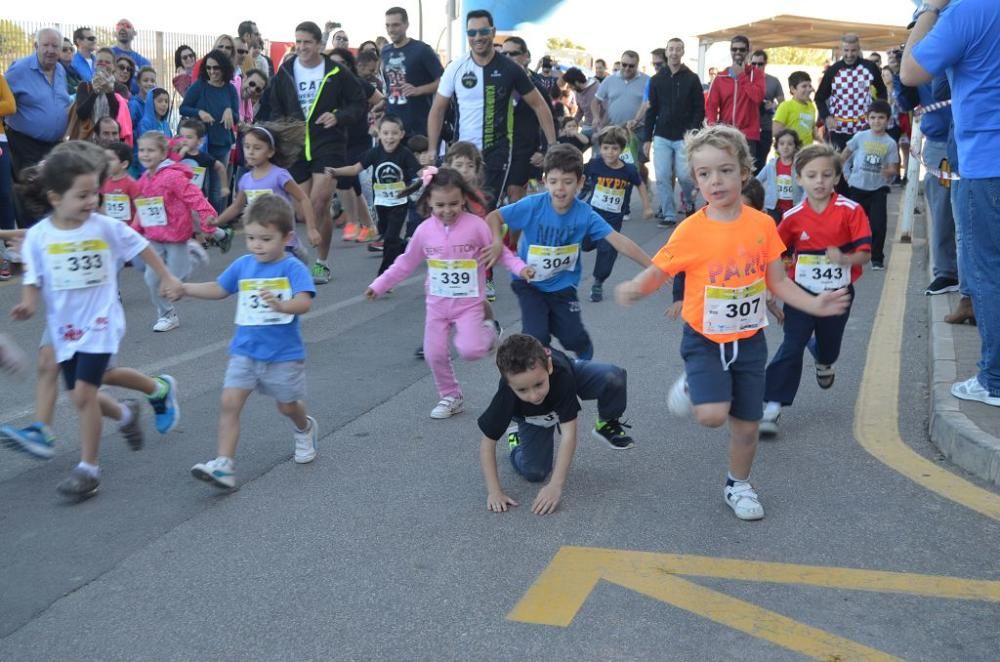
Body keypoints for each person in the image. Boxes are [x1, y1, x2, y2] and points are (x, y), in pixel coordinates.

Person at [614, 124, 851, 520]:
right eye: (704, 174)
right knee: (711, 417)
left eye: (724, 170)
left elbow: (777, 281)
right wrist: (637, 287)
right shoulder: (691, 229)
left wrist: (813, 303)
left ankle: (738, 485)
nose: (715, 181)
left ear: (744, 172)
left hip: (749, 341)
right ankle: (694, 382)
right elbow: (661, 269)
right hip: (704, 338)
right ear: (695, 179)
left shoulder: (761, 225)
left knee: (746, 426)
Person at [11, 141, 183, 497]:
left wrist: (166, 276)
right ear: (56, 198)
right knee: (80, 395)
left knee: (85, 394)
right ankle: (138, 404)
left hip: (101, 322)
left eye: (95, 194)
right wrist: (28, 303)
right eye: (83, 196)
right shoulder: (40, 237)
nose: (92, 202)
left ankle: (88, 469)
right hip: (65, 329)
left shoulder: (104, 227)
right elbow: (33, 277)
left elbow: (141, 246)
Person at [168, 195, 317, 489]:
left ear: (287, 238)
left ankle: (304, 427)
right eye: (251, 237)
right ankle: (224, 464)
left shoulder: (292, 268)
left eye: (265, 238)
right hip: (245, 351)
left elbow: (304, 302)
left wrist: (283, 306)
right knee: (229, 402)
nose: (257, 245)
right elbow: (219, 289)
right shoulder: (244, 265)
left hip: (283, 354)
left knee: (287, 407)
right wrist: (185, 288)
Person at [366, 167, 532, 418]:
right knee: (434, 353)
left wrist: (521, 269)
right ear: (429, 202)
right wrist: (380, 284)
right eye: (440, 205)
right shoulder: (424, 231)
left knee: (471, 350)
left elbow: (502, 254)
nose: (447, 210)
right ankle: (450, 395)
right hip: (437, 305)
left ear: (464, 198)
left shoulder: (476, 226)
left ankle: (488, 332)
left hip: (468, 304)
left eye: (454, 203)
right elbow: (405, 262)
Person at [902, 0, 1000, 408]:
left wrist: (929, 9)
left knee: (987, 271)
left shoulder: (968, 11)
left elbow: (911, 71)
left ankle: (994, 379)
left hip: (985, 159)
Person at [485, 144, 652, 360]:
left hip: (563, 287)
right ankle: (549, 373)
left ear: (580, 183)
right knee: (536, 337)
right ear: (545, 181)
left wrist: (654, 266)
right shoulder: (533, 205)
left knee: (573, 338)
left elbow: (618, 240)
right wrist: (498, 241)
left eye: (567, 182)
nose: (560, 189)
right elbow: (494, 217)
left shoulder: (585, 214)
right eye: (553, 182)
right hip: (529, 283)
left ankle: (583, 362)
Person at [759, 143, 872, 435]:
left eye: (825, 175)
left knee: (829, 347)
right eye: (811, 175)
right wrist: (774, 282)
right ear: (799, 179)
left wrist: (845, 258)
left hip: (837, 293)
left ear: (836, 178)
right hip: (801, 292)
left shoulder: (851, 211)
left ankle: (823, 359)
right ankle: (772, 405)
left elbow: (865, 253)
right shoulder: (793, 217)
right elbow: (777, 251)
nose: (819, 181)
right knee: (791, 345)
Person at [478, 334, 635, 515]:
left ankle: (606, 423)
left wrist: (555, 485)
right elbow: (487, 443)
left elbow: (569, 435)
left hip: (567, 381)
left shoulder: (561, 376)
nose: (534, 395)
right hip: (531, 418)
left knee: (613, 376)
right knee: (535, 473)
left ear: (549, 367)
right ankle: (516, 443)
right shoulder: (506, 395)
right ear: (508, 383)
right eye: (522, 390)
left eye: (538, 384)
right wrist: (494, 492)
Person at [262, 20, 368, 285]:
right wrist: (282, 131)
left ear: (319, 44)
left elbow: (359, 103)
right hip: (297, 146)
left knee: (319, 203)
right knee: (302, 212)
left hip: (328, 144)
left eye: (307, 42)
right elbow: (274, 106)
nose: (302, 47)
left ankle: (322, 263)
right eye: (298, 42)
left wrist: (338, 117)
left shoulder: (335, 71)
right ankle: (300, 249)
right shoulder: (286, 71)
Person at [425, 9, 556, 207]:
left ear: (493, 32)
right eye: (472, 33)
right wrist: (432, 149)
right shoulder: (456, 68)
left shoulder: (511, 69)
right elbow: (437, 110)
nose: (477, 37)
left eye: (483, 31)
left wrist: (552, 146)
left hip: (497, 152)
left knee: (484, 210)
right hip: (463, 154)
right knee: (459, 207)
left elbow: (539, 105)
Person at [133, 131, 222, 332]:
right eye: (142, 150)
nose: (145, 155)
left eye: (151, 150)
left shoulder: (173, 177)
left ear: (163, 152)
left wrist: (208, 217)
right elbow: (141, 207)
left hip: (176, 236)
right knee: (152, 278)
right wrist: (133, 230)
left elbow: (195, 197)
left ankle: (192, 254)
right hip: (154, 235)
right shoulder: (144, 179)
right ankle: (167, 315)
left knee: (177, 281)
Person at [326, 114, 421, 275]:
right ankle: (410, 247)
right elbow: (355, 169)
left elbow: (419, 172)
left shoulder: (404, 154)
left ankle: (385, 275)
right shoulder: (374, 153)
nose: (389, 138)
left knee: (390, 240)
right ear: (379, 133)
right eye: (386, 133)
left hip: (398, 203)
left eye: (394, 133)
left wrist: (429, 174)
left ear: (401, 134)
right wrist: (336, 171)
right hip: (381, 204)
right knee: (387, 236)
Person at [212, 123, 318, 258]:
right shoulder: (245, 179)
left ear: (270, 152)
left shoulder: (279, 175)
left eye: (257, 148)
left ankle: (300, 257)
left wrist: (312, 229)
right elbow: (236, 207)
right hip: (259, 245)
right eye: (247, 146)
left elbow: (303, 198)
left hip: (285, 245)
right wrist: (216, 222)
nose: (250, 152)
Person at [582, 126, 652, 302]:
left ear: (621, 150)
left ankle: (598, 282)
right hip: (592, 215)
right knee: (585, 245)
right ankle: (595, 242)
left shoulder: (628, 170)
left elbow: (641, 185)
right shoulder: (595, 164)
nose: (610, 153)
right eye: (605, 148)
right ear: (600, 148)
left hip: (612, 220)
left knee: (608, 249)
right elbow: (578, 174)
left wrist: (646, 207)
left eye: (614, 149)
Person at [643, 37, 704, 226]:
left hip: (684, 136)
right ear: (666, 52)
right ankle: (668, 213)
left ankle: (689, 202)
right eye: (671, 49)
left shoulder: (692, 78)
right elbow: (651, 110)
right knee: (661, 176)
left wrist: (693, 132)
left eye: (678, 49)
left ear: (683, 52)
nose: (674, 53)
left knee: (685, 176)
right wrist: (647, 138)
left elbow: (699, 108)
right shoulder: (656, 80)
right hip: (661, 135)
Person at [327, 48, 384, 244]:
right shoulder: (326, 88)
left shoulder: (359, 85)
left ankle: (354, 222)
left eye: (341, 64)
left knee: (347, 178)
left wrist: (375, 123)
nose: (336, 68)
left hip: (360, 140)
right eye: (332, 64)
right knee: (351, 182)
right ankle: (368, 226)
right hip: (337, 140)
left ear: (349, 65)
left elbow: (382, 101)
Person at [4, 28, 71, 193]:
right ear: (36, 46)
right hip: (24, 145)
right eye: (45, 45)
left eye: (55, 46)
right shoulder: (19, 70)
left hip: (54, 146)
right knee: (30, 192)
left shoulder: (60, 70)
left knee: (52, 192)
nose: (50, 50)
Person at [840, 100, 899, 270]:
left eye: (881, 118)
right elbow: (844, 155)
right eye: (872, 117)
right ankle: (849, 254)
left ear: (887, 120)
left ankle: (877, 258)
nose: (876, 121)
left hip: (878, 190)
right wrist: (845, 173)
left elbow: (894, 167)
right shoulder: (860, 136)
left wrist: (888, 172)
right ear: (867, 119)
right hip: (857, 187)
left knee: (878, 225)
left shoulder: (890, 143)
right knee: (852, 224)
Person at [180, 48, 240, 213]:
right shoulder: (200, 86)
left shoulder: (230, 89)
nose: (212, 72)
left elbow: (236, 117)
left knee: (217, 187)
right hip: (201, 144)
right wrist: (199, 112)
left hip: (222, 143)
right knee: (199, 186)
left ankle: (216, 223)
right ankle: (202, 223)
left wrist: (229, 111)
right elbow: (183, 108)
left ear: (224, 69)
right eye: (208, 68)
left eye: (216, 68)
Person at [815, 33, 887, 151]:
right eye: (846, 50)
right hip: (839, 128)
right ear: (840, 50)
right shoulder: (833, 70)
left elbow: (882, 91)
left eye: (853, 50)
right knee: (840, 165)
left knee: (861, 164)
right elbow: (819, 97)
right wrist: (827, 117)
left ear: (858, 49)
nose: (849, 55)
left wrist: (878, 114)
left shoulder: (869, 67)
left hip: (864, 127)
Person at [500, 37, 549, 206]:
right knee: (496, 199)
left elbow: (549, 120)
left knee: (516, 199)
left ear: (526, 56)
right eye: (503, 53)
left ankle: (514, 233)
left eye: (513, 53)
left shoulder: (537, 88)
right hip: (499, 150)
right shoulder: (495, 83)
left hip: (526, 152)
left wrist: (544, 150)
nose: (507, 57)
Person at [705, 35, 766, 158]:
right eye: (734, 49)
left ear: (748, 51)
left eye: (742, 49)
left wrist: (742, 76)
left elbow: (758, 97)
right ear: (731, 51)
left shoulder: (756, 75)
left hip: (748, 135)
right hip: (726, 134)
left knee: (746, 174)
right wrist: (713, 129)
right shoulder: (721, 77)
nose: (737, 52)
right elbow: (711, 105)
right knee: (727, 170)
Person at [173, 118, 230, 209]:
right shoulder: (175, 154)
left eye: (189, 137)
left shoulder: (204, 157)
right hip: (179, 195)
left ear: (200, 141)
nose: (184, 140)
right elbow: (170, 169)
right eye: (181, 136)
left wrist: (224, 186)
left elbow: (220, 167)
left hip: (197, 196)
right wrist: (179, 153)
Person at [592, 50, 648, 134]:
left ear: (637, 65)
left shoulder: (647, 81)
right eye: (624, 64)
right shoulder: (609, 79)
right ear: (620, 63)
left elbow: (651, 104)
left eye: (631, 66)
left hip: (638, 130)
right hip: (613, 129)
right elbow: (595, 101)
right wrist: (596, 117)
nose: (627, 68)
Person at [756, 129, 804, 222]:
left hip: (793, 208)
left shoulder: (799, 167)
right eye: (782, 144)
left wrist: (802, 204)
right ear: (777, 147)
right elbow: (757, 181)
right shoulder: (771, 165)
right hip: (773, 209)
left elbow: (806, 188)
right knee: (774, 232)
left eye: (790, 144)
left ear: (795, 147)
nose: (785, 147)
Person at [750, 50, 784, 173]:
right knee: (748, 162)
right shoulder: (745, 80)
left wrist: (773, 106)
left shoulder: (773, 81)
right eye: (754, 64)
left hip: (766, 127)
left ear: (765, 64)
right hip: (748, 127)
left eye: (760, 64)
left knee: (761, 161)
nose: (757, 67)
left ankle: (759, 189)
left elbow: (782, 103)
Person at [772, 71, 817, 147]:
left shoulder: (811, 107)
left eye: (810, 86)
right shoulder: (785, 106)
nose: (809, 89)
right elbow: (776, 132)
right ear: (793, 89)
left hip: (806, 153)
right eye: (804, 86)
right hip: (789, 154)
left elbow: (811, 130)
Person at [100, 142, 140, 222]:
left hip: (126, 229)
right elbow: (104, 204)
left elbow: (140, 209)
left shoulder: (131, 184)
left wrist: (133, 228)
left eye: (110, 159)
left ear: (124, 164)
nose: (106, 162)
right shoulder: (105, 181)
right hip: (110, 227)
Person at [110, 19, 151, 95]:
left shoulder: (144, 62)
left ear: (134, 33)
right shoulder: (107, 55)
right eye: (119, 26)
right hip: (112, 101)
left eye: (127, 26)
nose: (122, 28)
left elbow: (151, 85)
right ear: (114, 33)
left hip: (135, 103)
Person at [561, 67, 600, 141]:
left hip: (599, 128)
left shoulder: (597, 88)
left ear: (576, 82)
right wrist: (572, 122)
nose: (569, 87)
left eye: (570, 84)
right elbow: (581, 110)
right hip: (587, 126)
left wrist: (600, 130)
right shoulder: (578, 92)